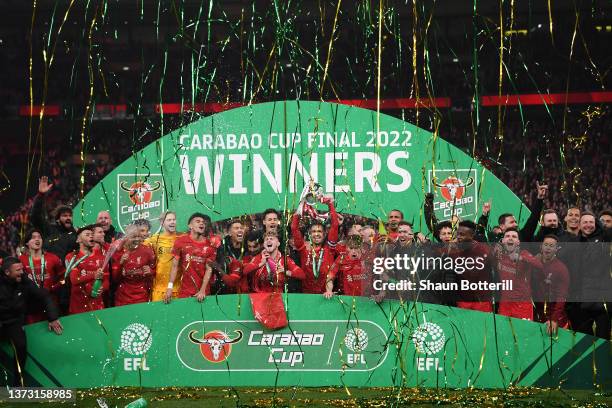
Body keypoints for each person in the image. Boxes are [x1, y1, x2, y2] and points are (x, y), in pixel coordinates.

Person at [0, 257, 63, 386]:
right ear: (7, 272)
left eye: (22, 269)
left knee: (21, 346)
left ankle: (18, 385)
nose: (22, 272)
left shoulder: (23, 280)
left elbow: (44, 295)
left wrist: (52, 317)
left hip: (13, 321)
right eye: (18, 270)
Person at [568, 212, 611, 339]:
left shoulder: (604, 239)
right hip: (581, 302)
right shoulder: (574, 243)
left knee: (603, 341)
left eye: (591, 222)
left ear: (596, 224)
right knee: (583, 341)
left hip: (602, 302)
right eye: (585, 222)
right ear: (579, 225)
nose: (588, 225)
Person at [290, 196, 339, 294]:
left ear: (324, 234)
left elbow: (335, 225)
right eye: (314, 231)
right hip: (307, 297)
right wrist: (300, 208)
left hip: (325, 295)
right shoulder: (303, 249)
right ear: (309, 234)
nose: (316, 234)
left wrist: (330, 204)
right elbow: (294, 228)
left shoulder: (329, 249)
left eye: (319, 231)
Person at [164, 213, 216, 303]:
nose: (201, 224)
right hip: (185, 292)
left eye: (203, 222)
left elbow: (209, 269)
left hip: (203, 293)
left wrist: (202, 290)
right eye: (198, 221)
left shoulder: (210, 245)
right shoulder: (180, 241)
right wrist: (169, 288)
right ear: (190, 226)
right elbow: (174, 267)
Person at [18, 229, 65, 323]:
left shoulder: (53, 258)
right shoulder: (21, 260)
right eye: (33, 238)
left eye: (39, 237)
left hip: (51, 301)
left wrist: (52, 288)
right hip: (32, 304)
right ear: (27, 243)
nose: (37, 239)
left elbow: (64, 278)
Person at [495, 228, 543, 320]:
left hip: (523, 305)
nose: (510, 238)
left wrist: (521, 258)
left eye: (514, 236)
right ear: (503, 240)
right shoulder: (499, 256)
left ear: (518, 242)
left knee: (524, 333)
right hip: (505, 304)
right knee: (504, 333)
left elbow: (540, 265)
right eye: (507, 236)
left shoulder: (524, 254)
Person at [30, 176, 76, 260]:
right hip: (50, 270)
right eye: (65, 216)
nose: (68, 218)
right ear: (57, 219)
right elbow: (35, 217)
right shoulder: (49, 230)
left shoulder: (76, 234)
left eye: (70, 216)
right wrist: (41, 195)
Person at [66, 225, 109, 314]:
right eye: (87, 234)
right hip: (78, 306)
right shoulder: (72, 257)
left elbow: (106, 280)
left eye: (92, 234)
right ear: (78, 240)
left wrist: (102, 288)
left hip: (98, 305)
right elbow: (74, 280)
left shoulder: (102, 257)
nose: (91, 236)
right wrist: (94, 275)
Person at [453, 221, 493, 312]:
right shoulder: (454, 251)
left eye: (462, 234)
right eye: (457, 234)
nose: (458, 237)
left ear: (471, 235)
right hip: (463, 301)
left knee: (483, 325)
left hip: (481, 302)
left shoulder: (484, 250)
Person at [533, 235, 570, 334]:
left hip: (555, 317)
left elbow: (561, 296)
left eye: (551, 245)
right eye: (545, 245)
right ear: (541, 247)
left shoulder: (561, 269)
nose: (548, 248)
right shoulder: (534, 264)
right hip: (536, 315)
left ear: (556, 249)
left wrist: (554, 319)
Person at [112, 225, 156, 306]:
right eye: (133, 237)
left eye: (138, 236)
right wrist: (120, 263)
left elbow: (155, 273)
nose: (137, 239)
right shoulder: (119, 252)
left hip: (142, 296)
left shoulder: (147, 251)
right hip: (123, 298)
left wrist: (151, 272)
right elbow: (114, 279)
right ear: (126, 237)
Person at [146, 211, 181, 301]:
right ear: (162, 223)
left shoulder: (182, 237)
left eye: (174, 219)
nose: (172, 222)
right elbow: (139, 248)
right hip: (159, 289)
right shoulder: (155, 239)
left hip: (177, 288)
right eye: (169, 220)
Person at [214, 218, 248, 294]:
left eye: (241, 228)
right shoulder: (222, 249)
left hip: (243, 290)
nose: (240, 230)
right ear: (229, 233)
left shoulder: (248, 247)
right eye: (236, 228)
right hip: (226, 291)